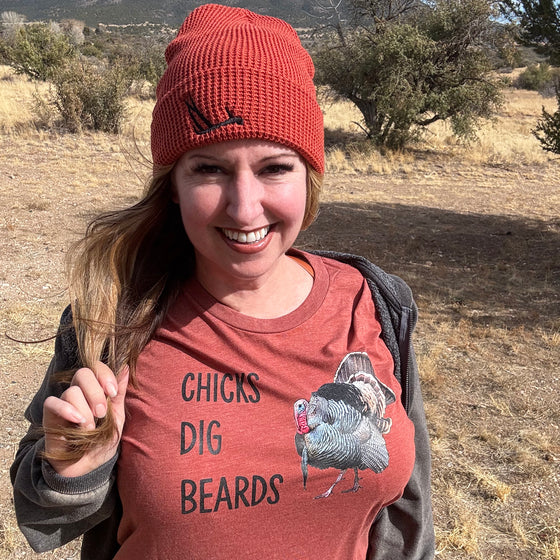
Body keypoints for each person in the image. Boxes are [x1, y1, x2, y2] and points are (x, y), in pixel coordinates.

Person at [10, 4, 435, 559]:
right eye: (208, 169)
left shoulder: (375, 302)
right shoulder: (118, 313)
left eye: (274, 167)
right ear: (173, 186)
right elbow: (41, 518)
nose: (243, 207)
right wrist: (73, 469)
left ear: (310, 175)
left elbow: (408, 514)